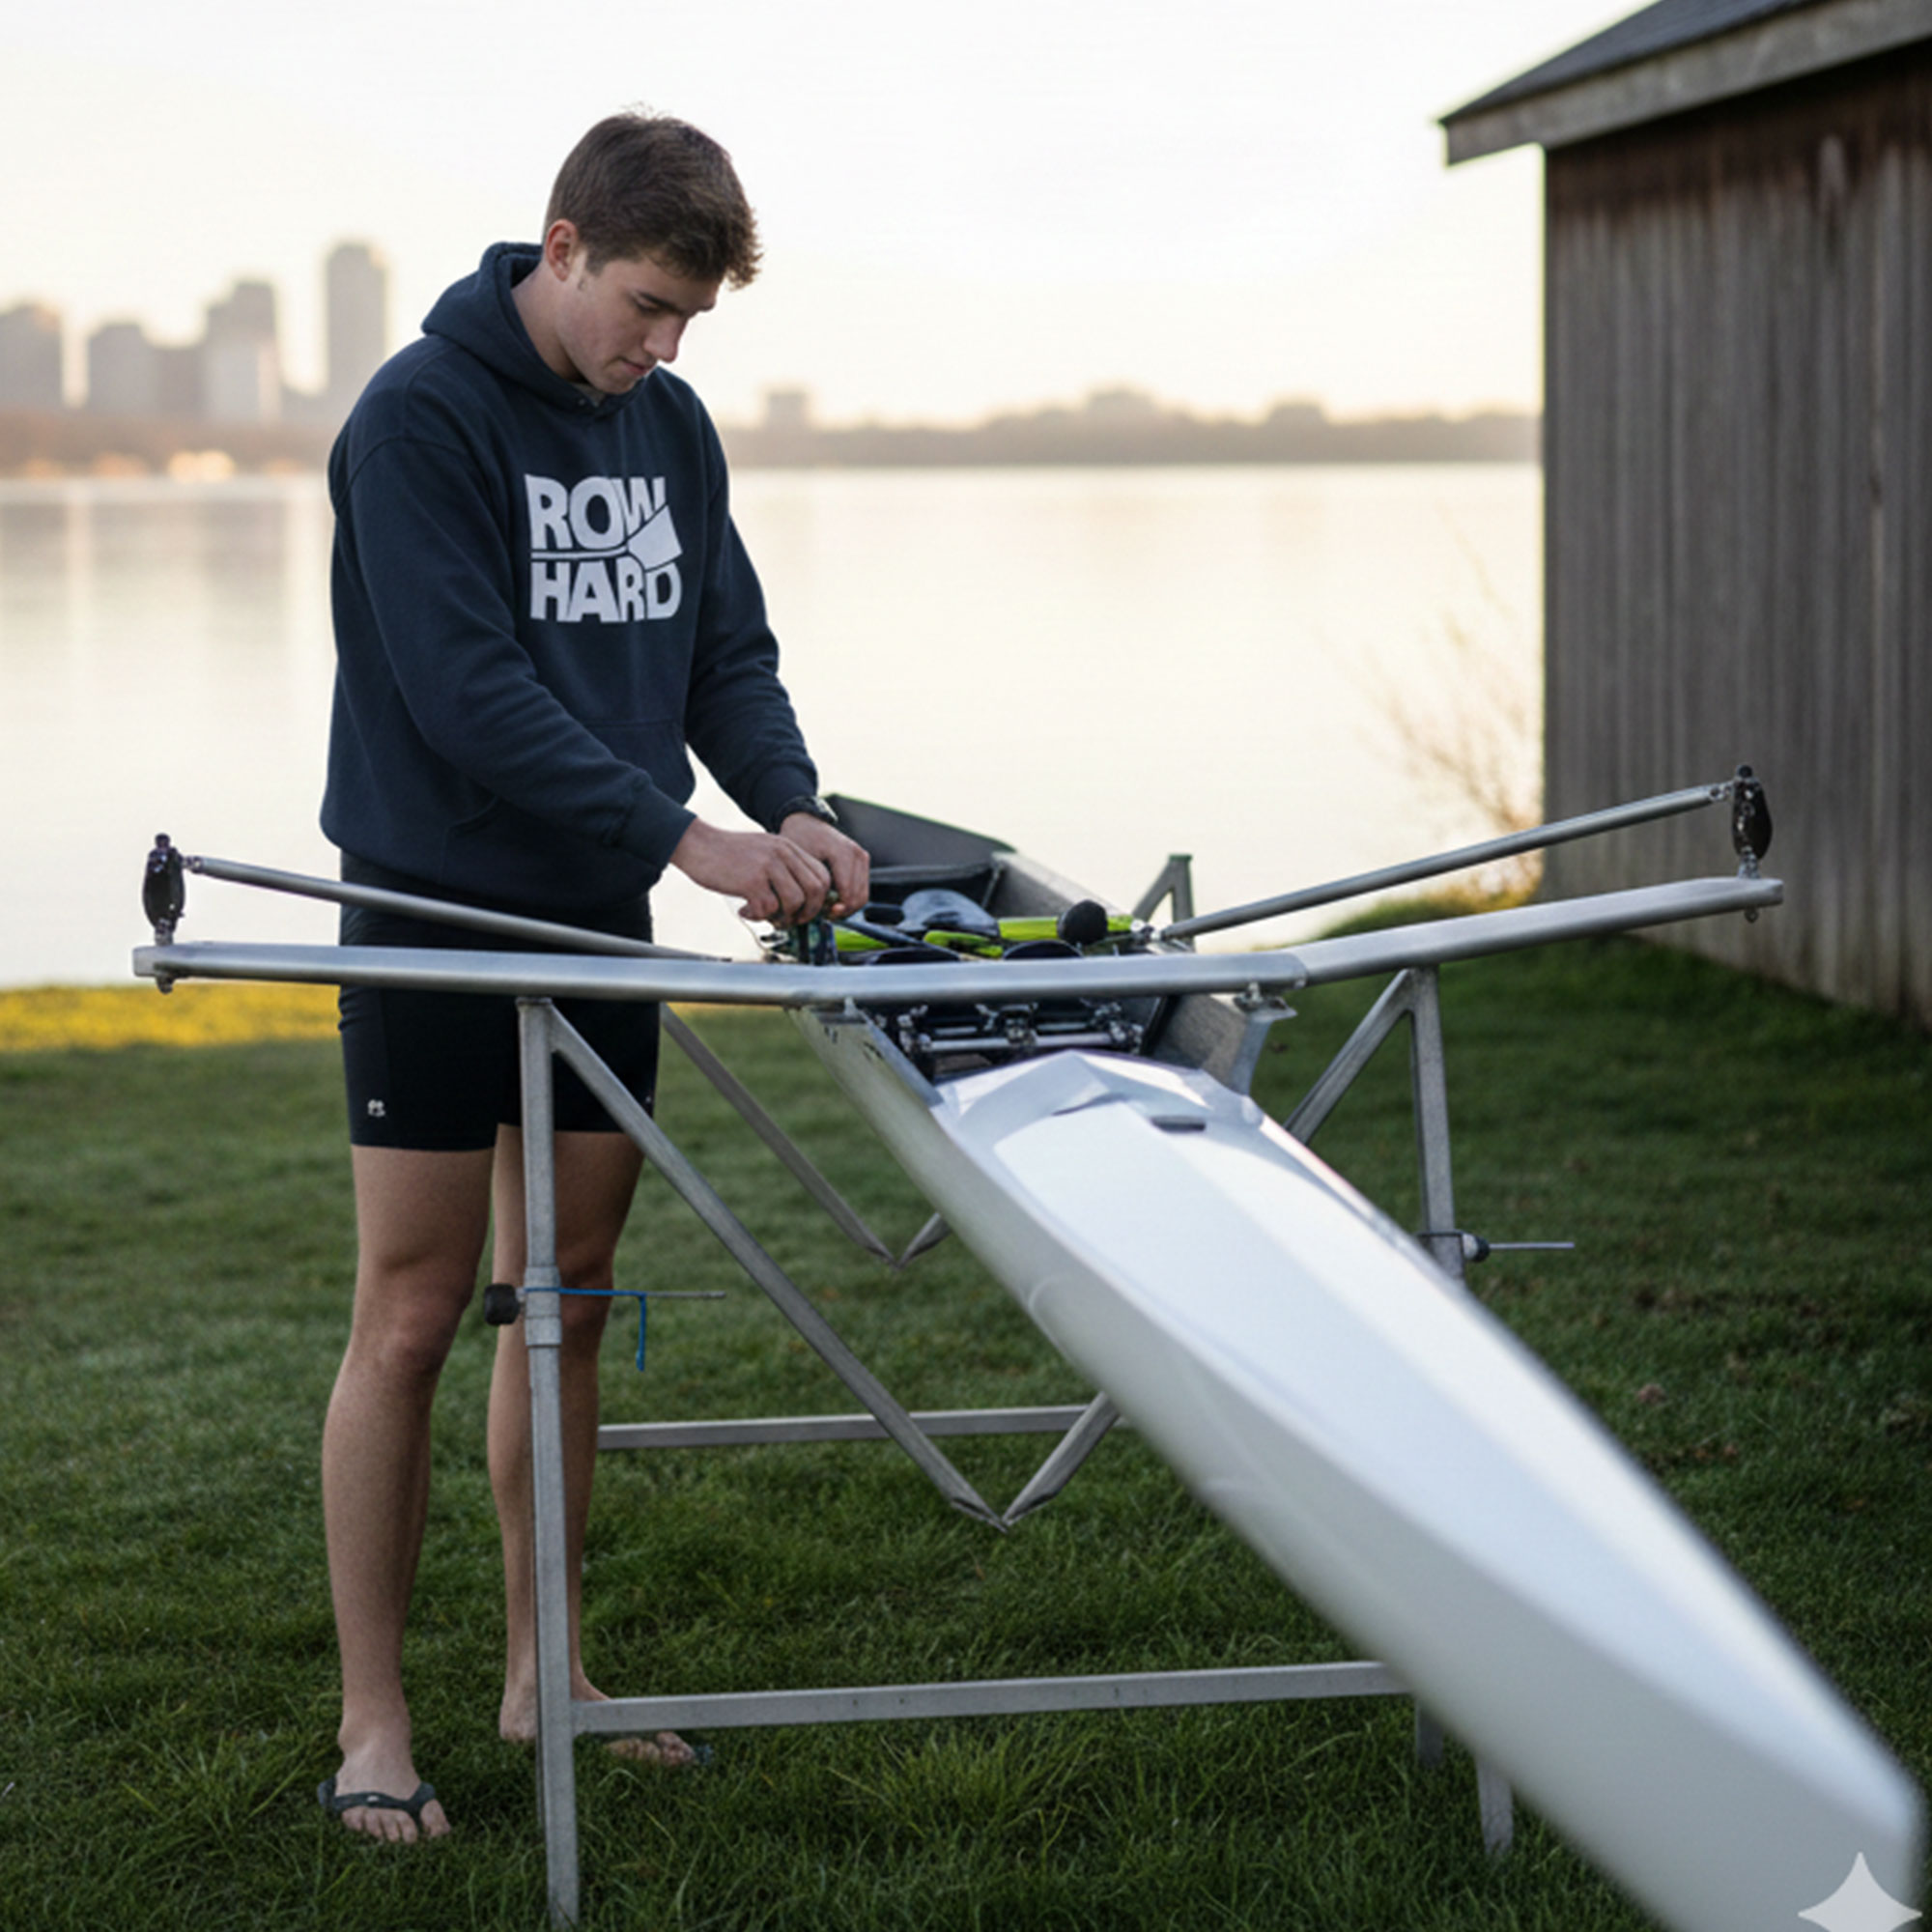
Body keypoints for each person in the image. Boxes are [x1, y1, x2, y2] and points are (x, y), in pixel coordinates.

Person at [314, 111, 868, 1842]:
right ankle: (375, 1725)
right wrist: (686, 839)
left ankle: (548, 1670)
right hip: (432, 914)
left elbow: (723, 646)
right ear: (560, 248)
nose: (663, 345)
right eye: (644, 303)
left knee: (564, 1299)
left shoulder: (671, 426)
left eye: (690, 319)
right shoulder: (417, 421)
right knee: (412, 1315)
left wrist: (788, 798)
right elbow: (468, 690)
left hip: (595, 926)